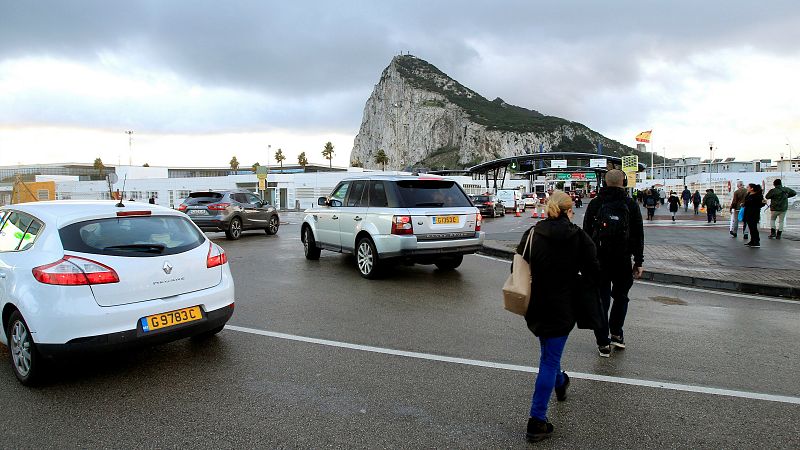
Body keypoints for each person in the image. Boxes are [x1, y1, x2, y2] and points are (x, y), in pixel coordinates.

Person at [515, 190, 601, 442]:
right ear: (568, 210)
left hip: (536, 304)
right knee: (549, 361)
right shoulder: (578, 237)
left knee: (548, 354)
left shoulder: (532, 234)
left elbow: (517, 266)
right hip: (563, 306)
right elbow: (594, 273)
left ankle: (561, 381)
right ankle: (536, 420)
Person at [583, 169, 644, 357]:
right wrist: (638, 261)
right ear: (623, 182)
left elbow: (586, 234)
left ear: (605, 183)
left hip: (599, 260)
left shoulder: (595, 203)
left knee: (601, 300)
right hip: (622, 260)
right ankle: (616, 333)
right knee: (621, 297)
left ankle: (603, 342)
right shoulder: (630, 204)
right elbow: (638, 235)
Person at [743, 183, 764, 248]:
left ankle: (756, 241)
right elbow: (747, 202)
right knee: (751, 227)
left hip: (754, 213)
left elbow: (760, 204)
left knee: (753, 227)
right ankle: (752, 241)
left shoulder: (757, 196)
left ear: (752, 188)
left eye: (748, 187)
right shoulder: (749, 195)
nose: (747, 188)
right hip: (748, 212)